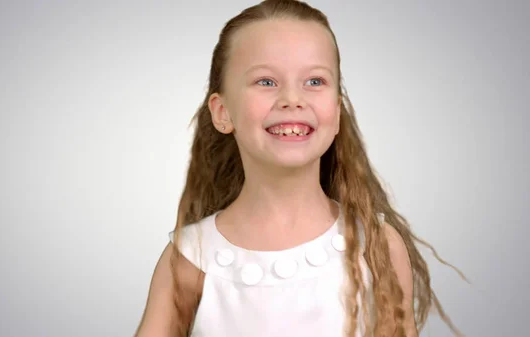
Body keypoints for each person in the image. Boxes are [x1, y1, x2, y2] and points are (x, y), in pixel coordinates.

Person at [134, 0, 466, 336]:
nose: (292, 99)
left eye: (315, 81)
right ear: (222, 113)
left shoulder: (376, 246)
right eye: (266, 82)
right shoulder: (191, 259)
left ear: (336, 112)